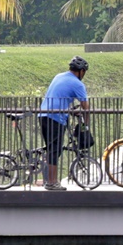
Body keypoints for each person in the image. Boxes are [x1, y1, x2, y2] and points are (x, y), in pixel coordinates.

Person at [40, 55, 89, 191]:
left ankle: (49, 178)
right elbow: (86, 107)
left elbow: (58, 97)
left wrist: (70, 111)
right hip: (55, 118)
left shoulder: (59, 76)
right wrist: (86, 126)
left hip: (43, 115)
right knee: (54, 150)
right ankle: (52, 182)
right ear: (81, 71)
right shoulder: (78, 84)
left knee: (52, 149)